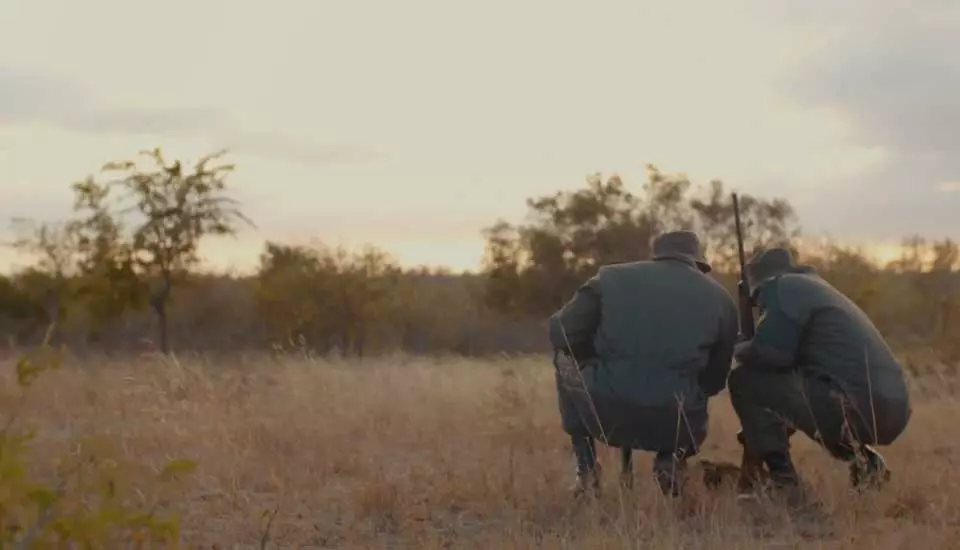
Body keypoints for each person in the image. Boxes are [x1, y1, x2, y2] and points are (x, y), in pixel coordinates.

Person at [548, 230, 739, 497]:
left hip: (604, 409)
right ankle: (671, 459)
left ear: (656, 256)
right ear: (698, 261)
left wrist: (595, 359)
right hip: (678, 419)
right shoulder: (722, 299)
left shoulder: (609, 278)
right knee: (691, 388)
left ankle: (586, 469)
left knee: (563, 358)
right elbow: (715, 381)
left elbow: (560, 332)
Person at [729, 247, 911, 505]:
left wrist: (738, 347)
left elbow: (772, 354)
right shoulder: (815, 287)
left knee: (745, 378)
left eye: (758, 299)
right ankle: (866, 463)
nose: (760, 305)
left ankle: (784, 481)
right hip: (892, 409)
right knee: (780, 385)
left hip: (853, 405)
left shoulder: (783, 287)